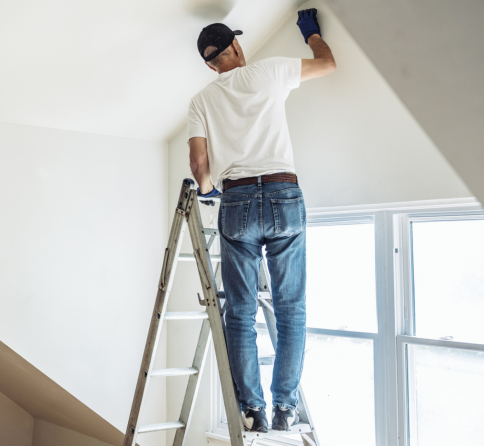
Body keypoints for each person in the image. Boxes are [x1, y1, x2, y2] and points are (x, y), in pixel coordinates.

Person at [187, 9, 335, 433]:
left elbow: (200, 166)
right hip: (283, 192)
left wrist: (210, 190)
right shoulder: (268, 72)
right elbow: (328, 64)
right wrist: (312, 35)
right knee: (290, 310)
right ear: (236, 47)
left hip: (236, 202)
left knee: (240, 313)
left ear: (210, 63)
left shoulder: (201, 101)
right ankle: (285, 407)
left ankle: (252, 409)